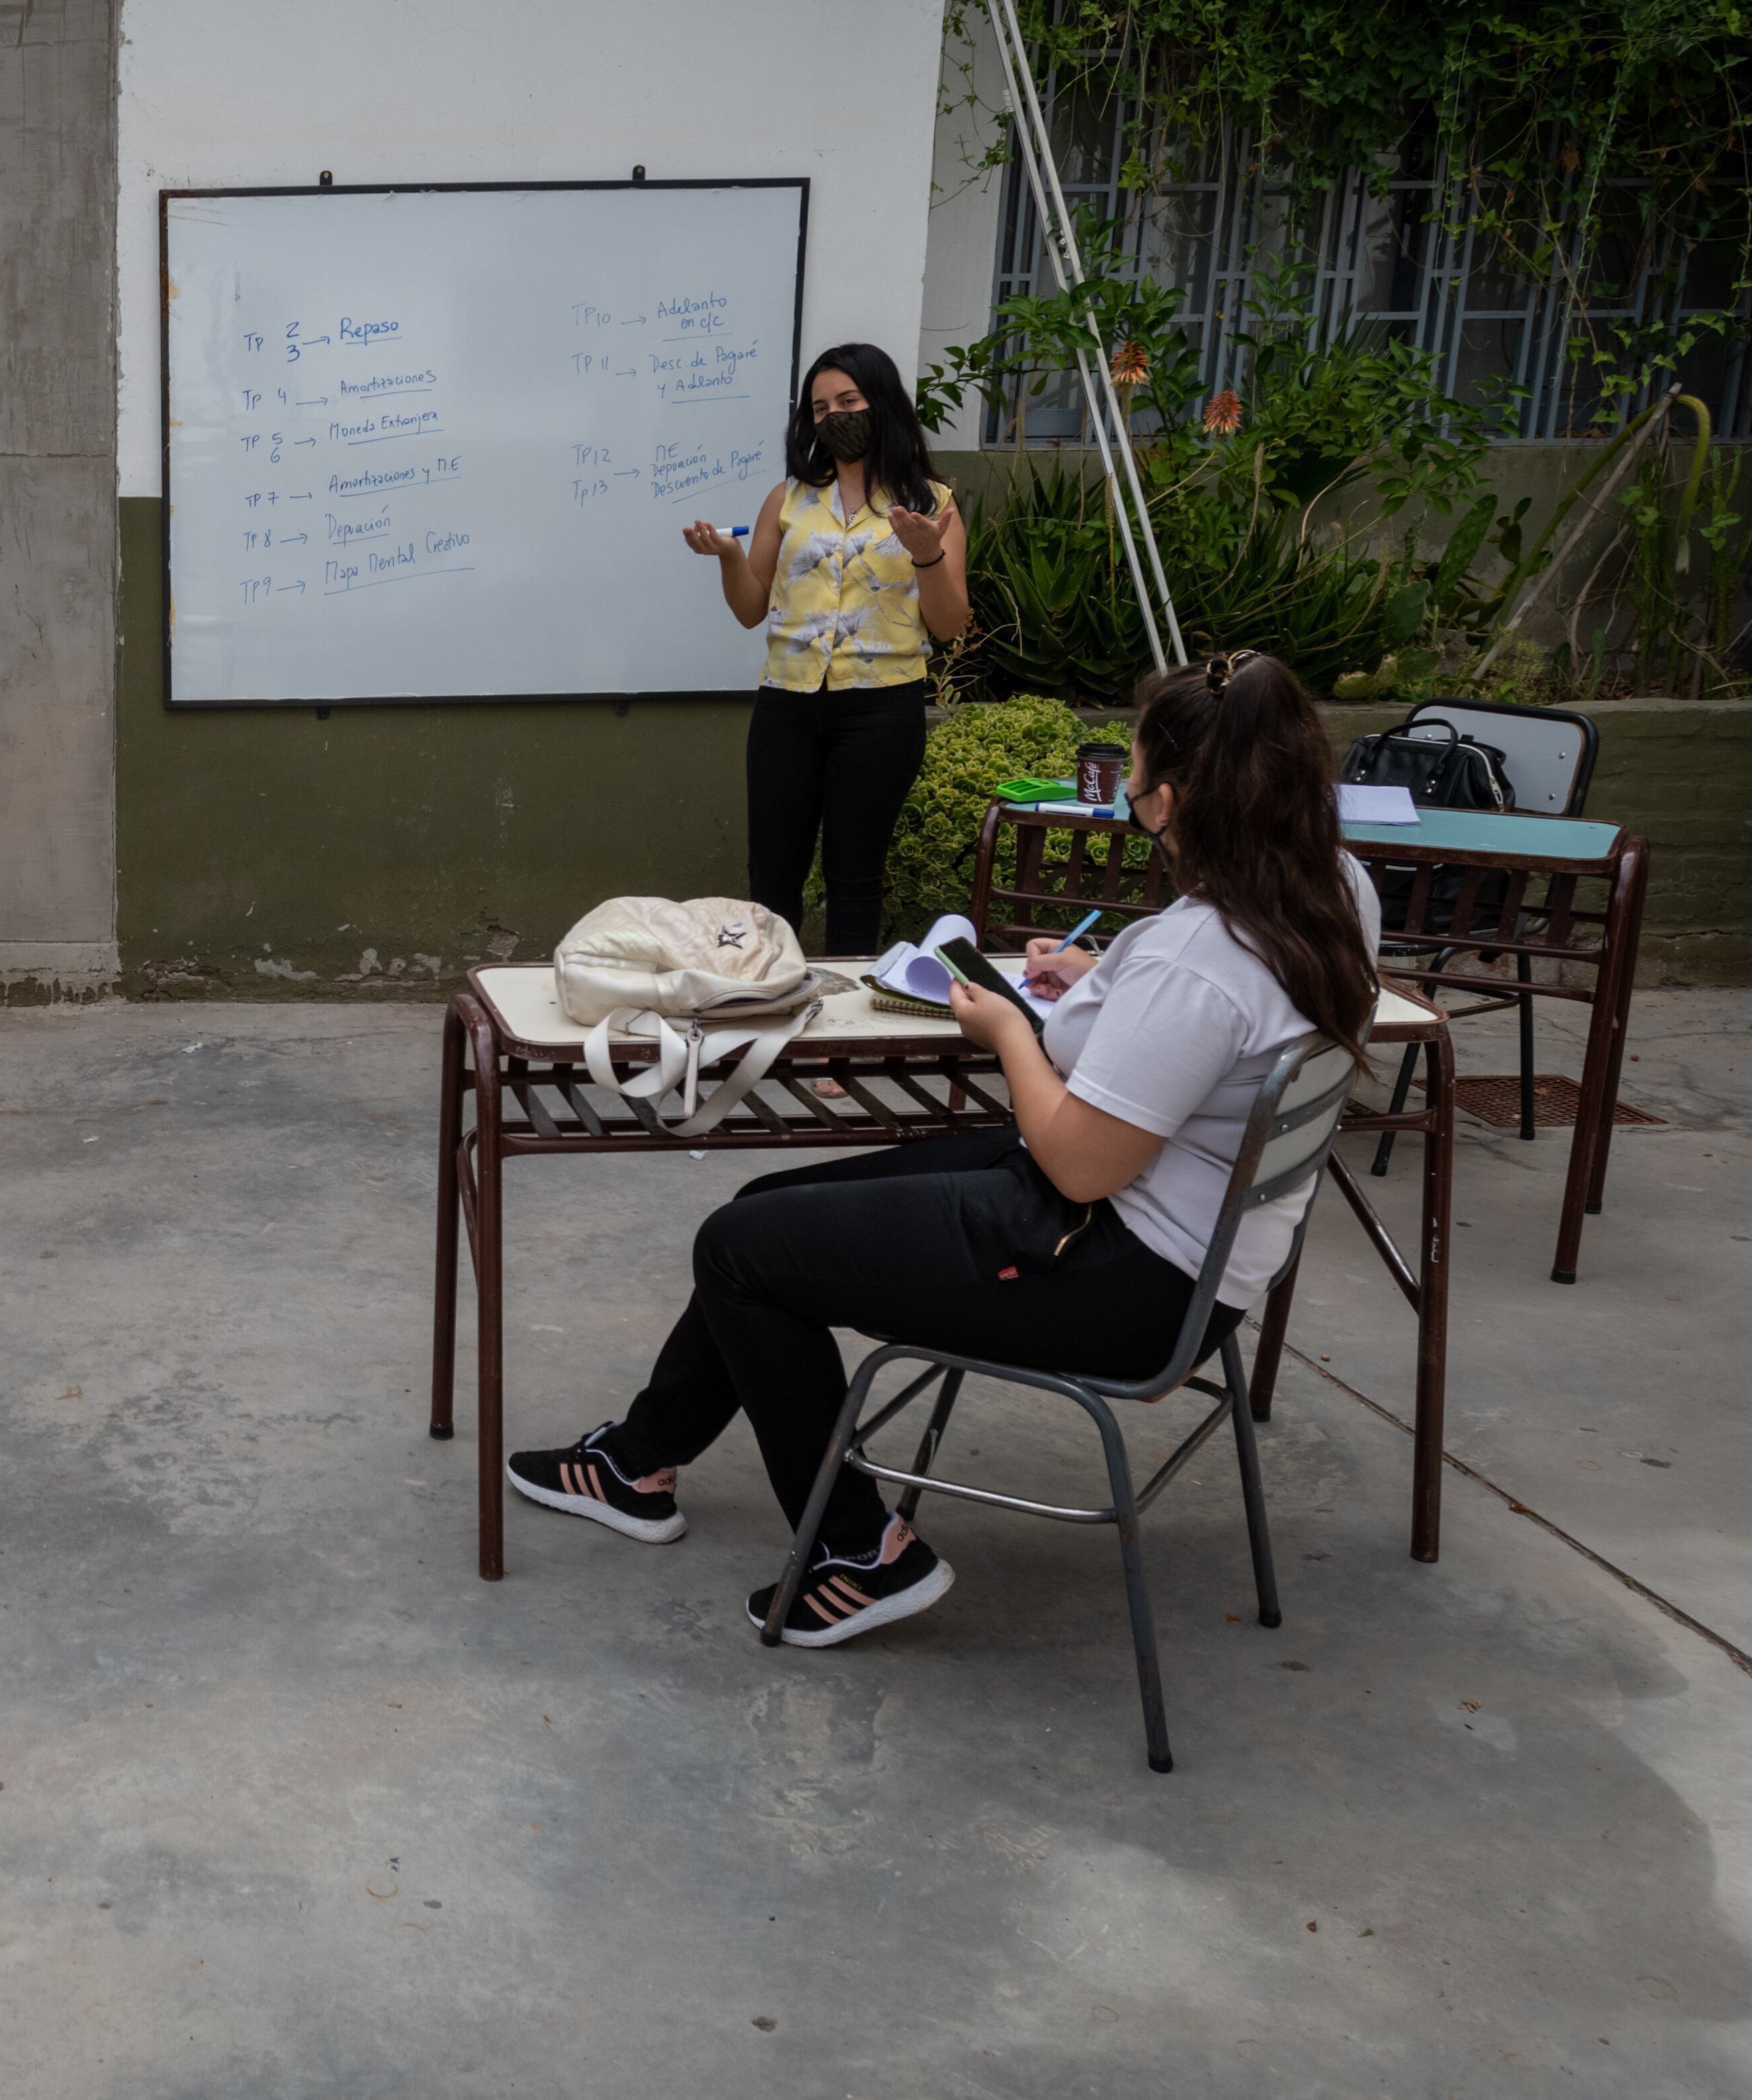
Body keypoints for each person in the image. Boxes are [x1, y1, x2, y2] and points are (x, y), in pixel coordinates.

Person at [506, 651, 1377, 1645]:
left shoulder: (1199, 964)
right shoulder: (1333, 889)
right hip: (1179, 1258)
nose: (1128, 799)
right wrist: (1109, 974)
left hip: (1117, 1270)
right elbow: (1203, 1024)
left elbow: (1083, 1164)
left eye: (1131, 784)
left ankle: (858, 1552)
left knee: (740, 1254)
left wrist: (1010, 1035)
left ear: (1172, 803)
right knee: (764, 1209)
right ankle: (637, 1459)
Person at [682, 343, 970, 957]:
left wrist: (927, 553)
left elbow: (949, 625)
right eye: (819, 407)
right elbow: (749, 608)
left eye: (848, 401)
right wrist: (730, 558)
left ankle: (841, 1020)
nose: (832, 416)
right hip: (786, 707)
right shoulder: (786, 499)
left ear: (882, 404)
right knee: (773, 877)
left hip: (880, 713)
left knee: (855, 878)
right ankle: (768, 1001)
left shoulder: (932, 505)